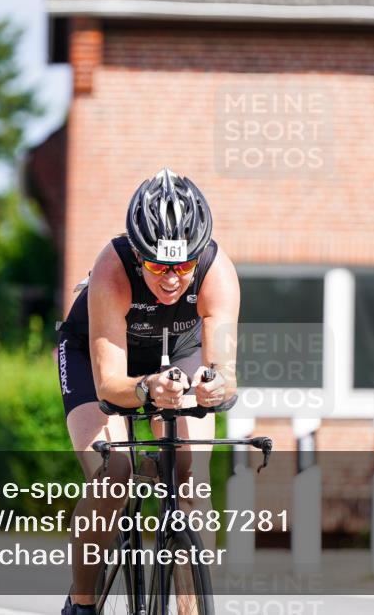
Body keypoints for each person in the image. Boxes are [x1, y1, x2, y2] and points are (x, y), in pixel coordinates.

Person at [56, 168, 240, 615]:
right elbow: (111, 386)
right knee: (113, 472)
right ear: (139, 256)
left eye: (184, 265)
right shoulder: (112, 268)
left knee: (190, 480)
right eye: (159, 265)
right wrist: (146, 389)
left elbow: (224, 370)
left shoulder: (217, 272)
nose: (173, 278)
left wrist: (214, 386)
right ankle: (81, 602)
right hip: (99, 358)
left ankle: (189, 608)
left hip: (176, 353)